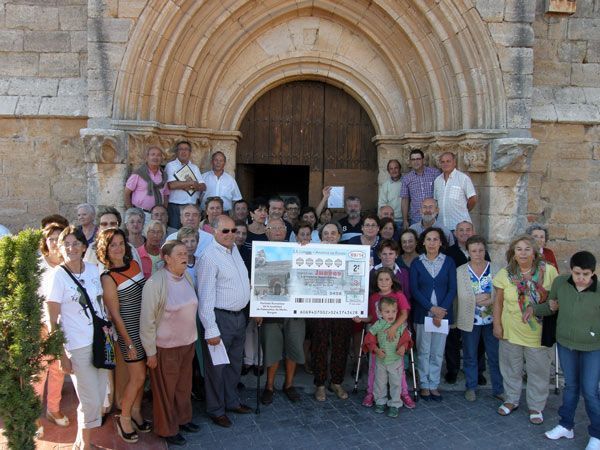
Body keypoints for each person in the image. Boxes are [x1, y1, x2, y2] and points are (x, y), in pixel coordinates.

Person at [527, 251, 600, 449]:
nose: (582, 278)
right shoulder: (560, 283)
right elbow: (551, 307)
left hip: (593, 348)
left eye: (586, 274)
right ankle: (566, 425)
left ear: (593, 273)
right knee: (571, 387)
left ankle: (597, 435)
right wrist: (533, 308)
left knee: (591, 391)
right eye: (577, 274)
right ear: (571, 270)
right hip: (566, 344)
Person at [46, 226, 108, 450]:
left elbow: (101, 304)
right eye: (66, 244)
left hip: (100, 341)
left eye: (75, 243)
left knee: (99, 395)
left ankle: (80, 443)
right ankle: (86, 446)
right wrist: (61, 354)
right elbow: (52, 318)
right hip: (77, 346)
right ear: (61, 248)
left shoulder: (93, 270)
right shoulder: (58, 276)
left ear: (84, 247)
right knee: (89, 399)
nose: (71, 248)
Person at [492, 234, 558, 424]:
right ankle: (511, 399)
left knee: (538, 371)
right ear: (513, 253)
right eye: (518, 249)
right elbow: (498, 302)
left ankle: (536, 406)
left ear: (535, 252)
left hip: (538, 332)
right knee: (511, 368)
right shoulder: (505, 274)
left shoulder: (549, 271)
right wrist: (497, 324)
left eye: (527, 249)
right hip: (510, 330)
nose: (522, 253)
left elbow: (555, 300)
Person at [140, 240, 200, 446]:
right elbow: (146, 321)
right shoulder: (155, 283)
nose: (185, 256)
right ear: (166, 258)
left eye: (186, 253)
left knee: (184, 387)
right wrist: (151, 353)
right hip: (166, 348)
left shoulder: (187, 277)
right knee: (166, 391)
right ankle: (167, 429)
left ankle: (183, 420)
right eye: (180, 254)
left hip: (187, 344)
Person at [197, 215, 252, 428]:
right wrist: (211, 329)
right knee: (216, 369)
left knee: (233, 366)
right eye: (225, 231)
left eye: (233, 231)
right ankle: (216, 409)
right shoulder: (209, 257)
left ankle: (231, 401)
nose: (231, 235)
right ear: (214, 231)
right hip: (220, 319)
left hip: (239, 317)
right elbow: (205, 296)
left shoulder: (233, 250)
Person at [97, 228, 150, 443]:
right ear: (105, 250)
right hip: (129, 332)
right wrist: (128, 343)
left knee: (143, 376)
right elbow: (115, 314)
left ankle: (136, 412)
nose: (118, 248)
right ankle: (124, 418)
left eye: (120, 243)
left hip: (145, 328)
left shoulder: (135, 265)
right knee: (137, 377)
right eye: (112, 245)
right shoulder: (108, 277)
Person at [257, 218, 306, 405]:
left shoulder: (298, 248)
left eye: (281, 228)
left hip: (294, 309)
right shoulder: (260, 251)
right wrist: (257, 309)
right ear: (267, 231)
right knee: (272, 348)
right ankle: (269, 386)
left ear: (286, 231)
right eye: (273, 228)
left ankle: (289, 384)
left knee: (293, 346)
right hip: (270, 309)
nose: (277, 231)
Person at [356, 267, 413, 410]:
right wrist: (360, 319)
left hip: (396, 336)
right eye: (380, 279)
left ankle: (403, 394)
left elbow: (404, 314)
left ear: (392, 281)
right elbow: (371, 317)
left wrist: (393, 328)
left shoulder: (398, 295)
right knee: (374, 367)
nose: (384, 282)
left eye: (387, 279)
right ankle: (371, 393)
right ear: (376, 281)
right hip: (377, 336)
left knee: (398, 369)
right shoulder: (374, 297)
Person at [410, 227, 457, 401]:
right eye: (428, 239)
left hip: (442, 316)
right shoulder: (417, 262)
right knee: (423, 350)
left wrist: (441, 310)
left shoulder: (449, 262)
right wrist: (431, 308)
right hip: (423, 313)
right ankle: (424, 384)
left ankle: (434, 384)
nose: (431, 243)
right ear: (423, 242)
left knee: (437, 351)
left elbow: (452, 288)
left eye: (435, 239)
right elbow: (415, 290)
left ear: (441, 242)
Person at [455, 235, 503, 402]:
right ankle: (471, 386)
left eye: (481, 250)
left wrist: (491, 299)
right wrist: (473, 299)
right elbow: (458, 295)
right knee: (470, 354)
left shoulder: (495, 269)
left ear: (485, 251)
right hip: (471, 319)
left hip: (492, 319)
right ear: (468, 252)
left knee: (495, 355)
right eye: (474, 251)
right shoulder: (461, 271)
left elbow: (501, 292)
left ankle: (498, 388)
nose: (477, 254)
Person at [310, 222, 352, 401]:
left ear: (339, 236)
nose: (329, 236)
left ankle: (336, 382)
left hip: (342, 308)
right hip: (319, 307)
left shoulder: (350, 254)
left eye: (333, 233)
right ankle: (320, 384)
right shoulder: (311, 254)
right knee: (319, 345)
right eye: (325, 233)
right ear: (320, 237)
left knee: (340, 345)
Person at [34, 222, 69, 430]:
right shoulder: (38, 265)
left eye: (59, 238)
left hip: (64, 325)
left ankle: (53, 408)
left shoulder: (67, 264)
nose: (55, 242)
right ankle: (33, 413)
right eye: (51, 238)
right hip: (42, 325)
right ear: (45, 242)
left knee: (58, 369)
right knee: (38, 371)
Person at [443, 220, 486, 385]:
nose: (464, 233)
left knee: (478, 338)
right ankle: (453, 369)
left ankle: (478, 370)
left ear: (472, 231)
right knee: (453, 337)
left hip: (477, 302)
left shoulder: (481, 251)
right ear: (455, 233)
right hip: (456, 300)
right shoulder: (449, 252)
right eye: (461, 230)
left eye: (468, 230)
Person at [363, 298, 410, 417]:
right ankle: (380, 401)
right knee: (380, 382)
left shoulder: (400, 326)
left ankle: (395, 404)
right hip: (381, 360)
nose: (391, 314)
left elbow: (406, 340)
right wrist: (376, 349)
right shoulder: (377, 325)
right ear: (380, 312)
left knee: (396, 383)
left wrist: (403, 347)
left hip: (395, 360)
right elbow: (369, 339)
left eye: (394, 311)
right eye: (387, 311)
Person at [165, 140, 206, 229]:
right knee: (175, 233)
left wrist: (184, 185)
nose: (183, 152)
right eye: (181, 149)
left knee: (191, 233)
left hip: (192, 206)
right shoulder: (171, 165)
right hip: (175, 207)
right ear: (177, 152)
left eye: (186, 149)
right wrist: (191, 183)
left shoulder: (194, 167)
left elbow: (203, 186)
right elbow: (171, 185)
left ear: (190, 152)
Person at [433, 152, 477, 232]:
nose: (445, 164)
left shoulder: (463, 178)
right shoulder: (437, 181)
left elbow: (473, 199)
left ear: (454, 162)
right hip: (442, 226)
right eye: (443, 162)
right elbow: (436, 201)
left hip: (459, 226)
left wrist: (464, 210)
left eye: (448, 161)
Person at [124, 146, 169, 220]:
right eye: (153, 154)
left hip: (158, 216)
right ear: (147, 157)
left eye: (158, 155)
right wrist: (131, 212)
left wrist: (164, 210)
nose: (155, 157)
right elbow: (126, 193)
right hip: (140, 214)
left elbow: (165, 195)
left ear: (161, 158)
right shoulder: (138, 174)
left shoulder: (164, 176)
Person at [401, 149, 440, 228]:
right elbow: (405, 199)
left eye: (418, 159)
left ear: (423, 160)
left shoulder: (435, 173)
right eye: (413, 159)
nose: (416, 162)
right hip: (416, 219)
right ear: (410, 162)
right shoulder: (406, 178)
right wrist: (405, 220)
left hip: (434, 217)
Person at [378, 159, 403, 227]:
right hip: (391, 221)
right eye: (391, 169)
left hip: (405, 220)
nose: (394, 170)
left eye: (396, 168)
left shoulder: (406, 182)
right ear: (388, 171)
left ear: (400, 169)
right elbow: (382, 204)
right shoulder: (385, 185)